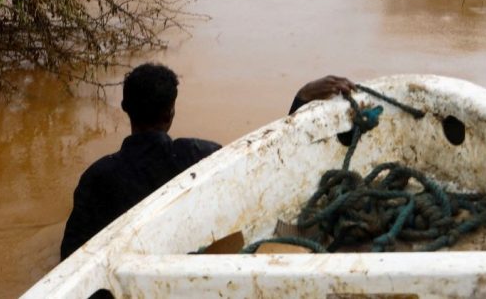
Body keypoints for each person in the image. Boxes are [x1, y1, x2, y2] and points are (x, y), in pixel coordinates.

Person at [59, 63, 354, 260]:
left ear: (125, 108)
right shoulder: (202, 157)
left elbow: (69, 255)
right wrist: (301, 100)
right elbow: (269, 170)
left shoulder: (96, 177)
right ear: (171, 113)